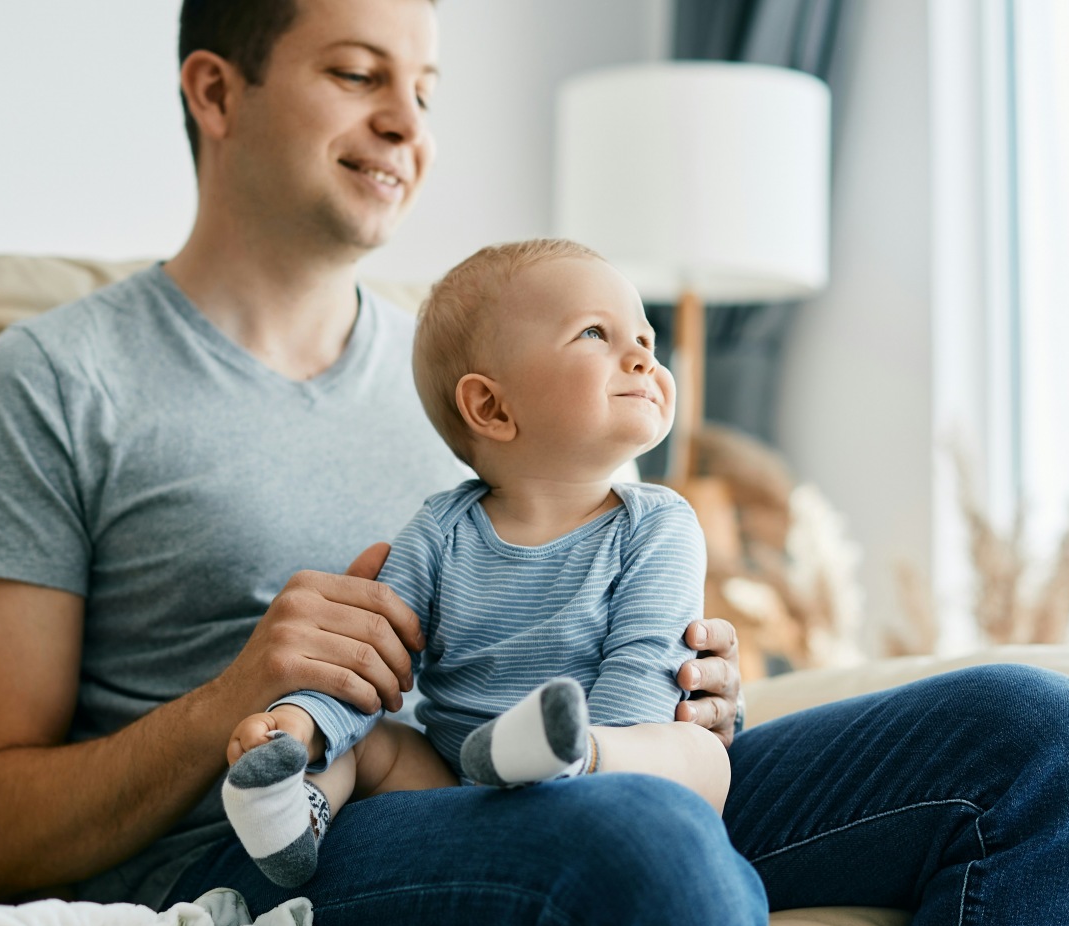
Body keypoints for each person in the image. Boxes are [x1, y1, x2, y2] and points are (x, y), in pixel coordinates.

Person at [0, 0, 1069, 926]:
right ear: (215, 91)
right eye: (358, 74)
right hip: (334, 821)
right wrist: (234, 703)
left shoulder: (502, 368)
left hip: (586, 764)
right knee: (640, 843)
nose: (408, 123)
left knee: (1047, 741)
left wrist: (690, 688)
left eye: (430, 90)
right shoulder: (57, 380)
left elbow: (598, 598)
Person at [223, 239, 732, 889]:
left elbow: (643, 685)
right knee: (371, 745)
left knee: (697, 752)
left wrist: (593, 752)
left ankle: (566, 752)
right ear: (491, 407)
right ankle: (289, 809)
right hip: (453, 779)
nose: (641, 357)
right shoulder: (439, 531)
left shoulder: (659, 525)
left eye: (646, 340)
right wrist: (298, 726)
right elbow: (366, 663)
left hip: (607, 765)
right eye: (595, 334)